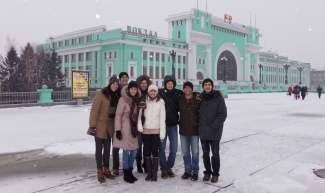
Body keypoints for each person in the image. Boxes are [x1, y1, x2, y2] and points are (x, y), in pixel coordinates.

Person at [87, 75, 120, 183]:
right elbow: (94, 110)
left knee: (107, 149)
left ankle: (106, 169)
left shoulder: (116, 96)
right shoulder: (101, 94)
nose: (115, 86)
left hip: (109, 126)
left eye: (116, 84)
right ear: (110, 84)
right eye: (113, 84)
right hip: (99, 126)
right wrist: (92, 125)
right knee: (98, 150)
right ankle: (99, 171)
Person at [199, 78, 227, 183]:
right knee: (205, 154)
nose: (207, 86)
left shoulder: (218, 98)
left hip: (214, 131)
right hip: (203, 131)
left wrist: (214, 125)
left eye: (209, 84)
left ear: (212, 86)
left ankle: (215, 174)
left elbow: (222, 114)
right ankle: (207, 172)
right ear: (203, 87)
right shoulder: (200, 98)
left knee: (215, 154)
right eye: (205, 84)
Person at [113, 81, 141, 183]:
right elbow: (118, 115)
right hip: (125, 127)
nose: (133, 91)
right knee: (126, 150)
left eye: (135, 89)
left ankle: (130, 170)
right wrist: (118, 130)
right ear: (128, 90)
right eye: (131, 89)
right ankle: (126, 173)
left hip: (134, 127)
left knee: (133, 150)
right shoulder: (123, 99)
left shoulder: (137, 100)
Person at [138, 85, 166, 182]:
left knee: (155, 151)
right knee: (146, 151)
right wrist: (140, 127)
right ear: (148, 92)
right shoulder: (144, 101)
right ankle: (149, 172)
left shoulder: (161, 102)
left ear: (157, 92)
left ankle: (154, 173)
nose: (152, 93)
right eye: (151, 91)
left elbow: (162, 119)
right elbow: (139, 115)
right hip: (145, 130)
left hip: (155, 130)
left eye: (154, 91)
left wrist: (162, 134)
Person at [158, 75, 183, 179]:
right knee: (162, 148)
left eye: (171, 83)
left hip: (173, 125)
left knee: (173, 149)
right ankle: (164, 169)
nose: (170, 85)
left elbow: (189, 93)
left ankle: (169, 167)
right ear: (165, 84)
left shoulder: (178, 93)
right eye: (168, 83)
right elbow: (149, 95)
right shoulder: (160, 93)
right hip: (162, 126)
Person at [178, 81, 201, 181]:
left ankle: (195, 172)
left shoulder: (197, 99)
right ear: (183, 89)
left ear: (192, 89)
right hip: (183, 130)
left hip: (194, 130)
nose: (187, 89)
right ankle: (187, 171)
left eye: (189, 88)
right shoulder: (180, 99)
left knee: (195, 152)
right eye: (185, 88)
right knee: (185, 152)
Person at [111, 71, 130, 176]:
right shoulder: (116, 89)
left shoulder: (130, 88)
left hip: (127, 121)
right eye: (122, 77)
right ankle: (115, 168)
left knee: (127, 145)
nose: (124, 79)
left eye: (126, 77)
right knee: (116, 145)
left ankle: (126, 166)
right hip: (117, 118)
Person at [135, 75, 152, 173]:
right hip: (139, 123)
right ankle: (138, 162)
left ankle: (146, 163)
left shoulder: (150, 94)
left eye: (145, 83)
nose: (144, 85)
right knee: (139, 144)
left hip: (148, 123)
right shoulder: (136, 95)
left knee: (147, 145)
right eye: (142, 83)